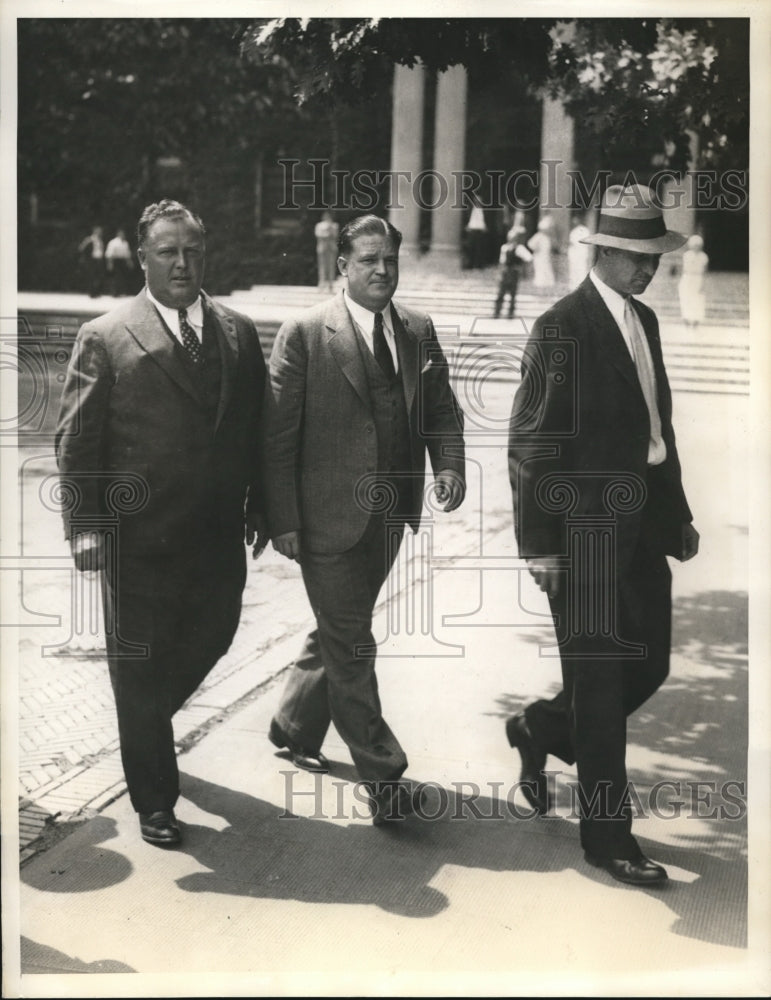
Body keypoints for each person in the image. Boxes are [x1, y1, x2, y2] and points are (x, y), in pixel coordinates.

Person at [56, 200, 268, 847]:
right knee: (142, 664)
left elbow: (256, 429)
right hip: (137, 539)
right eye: (169, 251)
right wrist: (85, 526)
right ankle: (154, 798)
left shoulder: (237, 332)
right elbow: (77, 439)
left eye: (193, 251)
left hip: (214, 537)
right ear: (143, 256)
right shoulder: (107, 335)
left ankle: (140, 725)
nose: (183, 263)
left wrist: (263, 505)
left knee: (216, 633)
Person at [507, 184, 699, 886]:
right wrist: (538, 545)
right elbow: (529, 445)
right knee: (597, 681)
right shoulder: (561, 327)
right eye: (639, 255)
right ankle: (607, 841)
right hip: (581, 532)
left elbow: (657, 429)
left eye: (655, 255)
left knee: (649, 663)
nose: (650, 267)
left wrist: (674, 514)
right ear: (607, 251)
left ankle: (538, 731)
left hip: (643, 522)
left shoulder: (643, 322)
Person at [262, 214, 466, 825]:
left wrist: (447, 469)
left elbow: (441, 410)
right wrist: (283, 519)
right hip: (324, 519)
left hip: (388, 519)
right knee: (352, 640)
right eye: (369, 260)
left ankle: (293, 724)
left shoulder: (417, 329)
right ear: (343, 265)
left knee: (339, 628)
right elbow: (276, 438)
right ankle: (384, 776)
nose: (382, 271)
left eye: (391, 261)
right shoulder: (304, 332)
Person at [493, 221, 533, 319]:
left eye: (513, 237)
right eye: (510, 237)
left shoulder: (519, 248)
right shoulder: (504, 248)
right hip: (506, 272)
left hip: (514, 272)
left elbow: (529, 258)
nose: (511, 238)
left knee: (512, 293)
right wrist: (499, 273)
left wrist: (522, 268)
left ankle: (510, 313)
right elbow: (502, 261)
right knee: (501, 293)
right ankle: (497, 312)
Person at [678, 234, 709, 327]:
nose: (696, 247)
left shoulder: (704, 257)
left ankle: (696, 319)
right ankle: (686, 318)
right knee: (686, 298)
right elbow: (683, 269)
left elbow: (705, 271)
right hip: (687, 277)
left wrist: (703, 283)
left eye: (698, 245)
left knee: (698, 299)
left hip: (698, 278)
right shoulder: (686, 255)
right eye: (694, 245)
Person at [527, 216, 555, 291]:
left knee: (546, 269)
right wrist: (536, 249)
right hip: (539, 257)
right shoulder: (538, 236)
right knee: (540, 270)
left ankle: (546, 286)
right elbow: (530, 244)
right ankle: (540, 285)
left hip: (546, 256)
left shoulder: (547, 237)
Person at [105, 228, 135, 296]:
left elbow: (127, 254)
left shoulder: (125, 243)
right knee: (115, 277)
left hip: (122, 261)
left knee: (122, 277)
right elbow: (109, 254)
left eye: (123, 234)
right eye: (121, 233)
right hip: (115, 260)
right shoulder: (113, 242)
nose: (122, 235)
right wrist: (110, 263)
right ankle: (114, 292)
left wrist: (129, 262)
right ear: (118, 234)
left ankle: (120, 291)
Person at [314, 210, 339, 293]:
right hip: (322, 248)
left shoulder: (334, 225)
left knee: (331, 266)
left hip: (331, 248)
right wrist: (326, 233)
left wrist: (330, 228)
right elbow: (318, 234)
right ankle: (321, 285)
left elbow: (335, 235)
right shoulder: (319, 225)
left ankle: (330, 285)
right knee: (322, 267)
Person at [78, 225, 105, 297]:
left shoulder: (100, 240)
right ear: (95, 231)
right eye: (99, 231)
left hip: (99, 259)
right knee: (92, 276)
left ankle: (97, 292)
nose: (100, 232)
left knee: (98, 276)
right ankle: (92, 292)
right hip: (92, 260)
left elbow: (101, 250)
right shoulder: (90, 239)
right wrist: (86, 256)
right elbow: (81, 248)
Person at [567, 217, 592, 289]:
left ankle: (581, 286)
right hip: (574, 253)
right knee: (573, 269)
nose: (574, 222)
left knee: (581, 269)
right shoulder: (574, 231)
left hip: (581, 253)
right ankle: (573, 285)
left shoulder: (584, 230)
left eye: (576, 220)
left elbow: (585, 242)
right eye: (573, 221)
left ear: (579, 220)